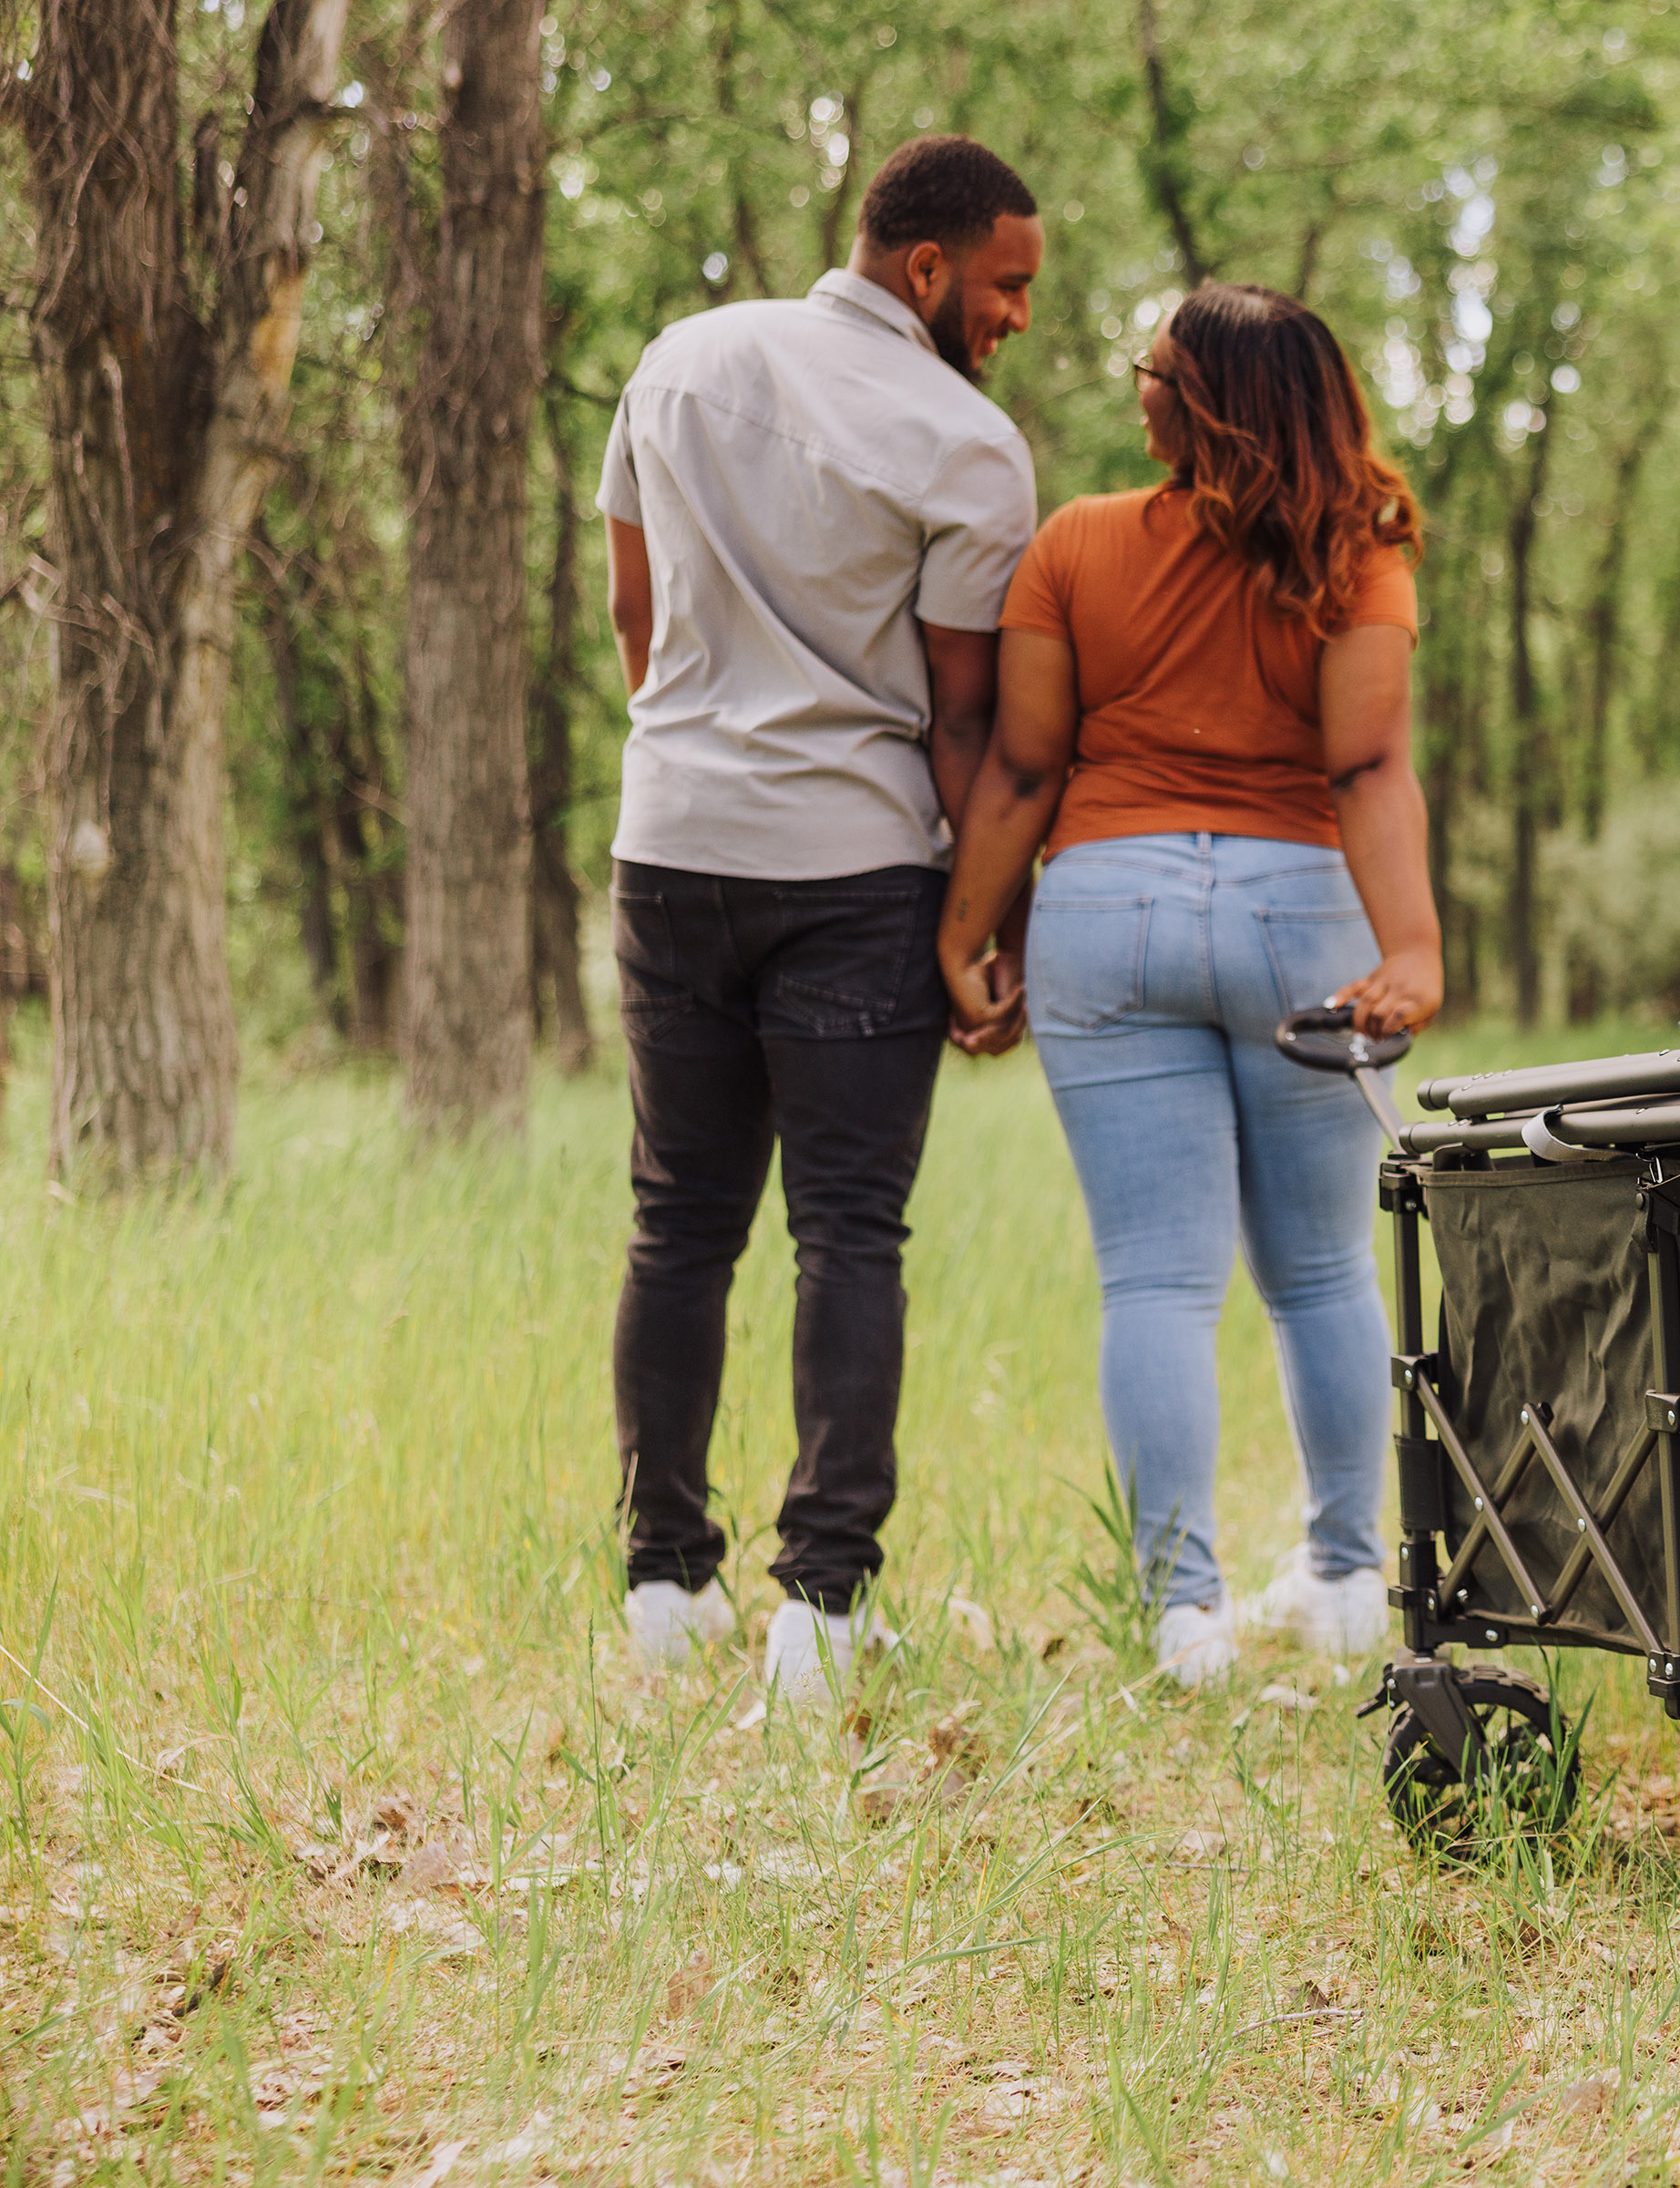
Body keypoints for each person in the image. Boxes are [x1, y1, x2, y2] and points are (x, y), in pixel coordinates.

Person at [935, 283, 1439, 1688]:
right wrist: (1411, 947)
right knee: (1324, 1267)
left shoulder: (1076, 546)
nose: (1136, 389)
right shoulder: (1363, 550)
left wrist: (971, 929)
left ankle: (1184, 1614)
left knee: (1155, 1278)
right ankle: (1345, 1580)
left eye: (1152, 368)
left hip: (1110, 906)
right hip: (1300, 913)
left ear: (1210, 398)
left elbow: (1026, 767)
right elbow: (1367, 767)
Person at [599, 135, 1044, 1703]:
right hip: (857, 871)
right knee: (849, 1230)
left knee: (678, 1222)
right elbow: (962, 723)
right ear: (925, 268)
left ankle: (665, 1584)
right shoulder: (967, 444)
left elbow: (634, 618)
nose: (1016, 318)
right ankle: (825, 1612)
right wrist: (991, 928)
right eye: (1005, 285)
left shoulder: (678, 360)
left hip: (670, 843)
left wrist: (703, 744)